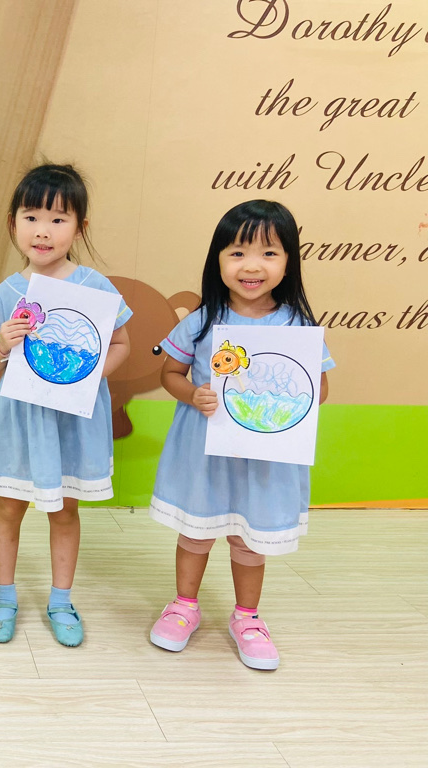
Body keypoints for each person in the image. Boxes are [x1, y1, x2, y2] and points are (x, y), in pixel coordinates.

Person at [147, 199, 334, 671]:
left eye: (269, 253)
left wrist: (289, 401)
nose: (252, 266)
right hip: (205, 449)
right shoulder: (202, 320)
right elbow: (170, 374)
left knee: (250, 538)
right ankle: (184, 606)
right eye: (237, 252)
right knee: (196, 531)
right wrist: (193, 395)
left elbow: (319, 388)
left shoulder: (297, 325)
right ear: (218, 260)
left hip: (264, 455)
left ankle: (247, 618)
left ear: (289, 262)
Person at [0, 164, 131, 647]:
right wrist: (1, 343)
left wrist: (89, 375)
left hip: (72, 420)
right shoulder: (7, 291)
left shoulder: (96, 286)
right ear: (13, 223)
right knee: (9, 507)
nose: (42, 230)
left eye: (58, 219)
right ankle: (4, 597)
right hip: (20, 420)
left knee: (64, 511)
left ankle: (61, 601)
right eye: (31, 217)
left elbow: (121, 344)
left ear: (80, 228)